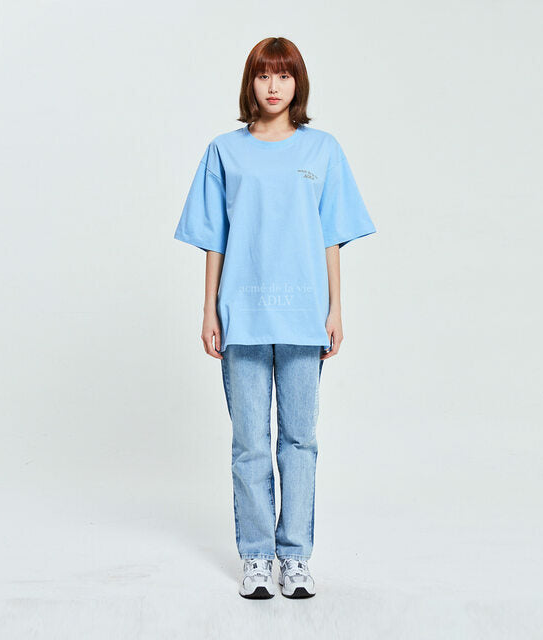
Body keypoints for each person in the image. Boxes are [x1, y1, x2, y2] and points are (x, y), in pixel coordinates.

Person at [174, 36, 376, 599]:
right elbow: (214, 237)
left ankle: (295, 557)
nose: (273, 86)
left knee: (299, 440)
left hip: (304, 314)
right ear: (251, 83)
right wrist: (209, 308)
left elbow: (332, 234)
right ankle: (258, 556)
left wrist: (336, 308)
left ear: (297, 84)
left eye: (284, 76)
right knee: (249, 444)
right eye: (264, 75)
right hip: (242, 312)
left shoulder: (323, 150)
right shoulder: (224, 151)